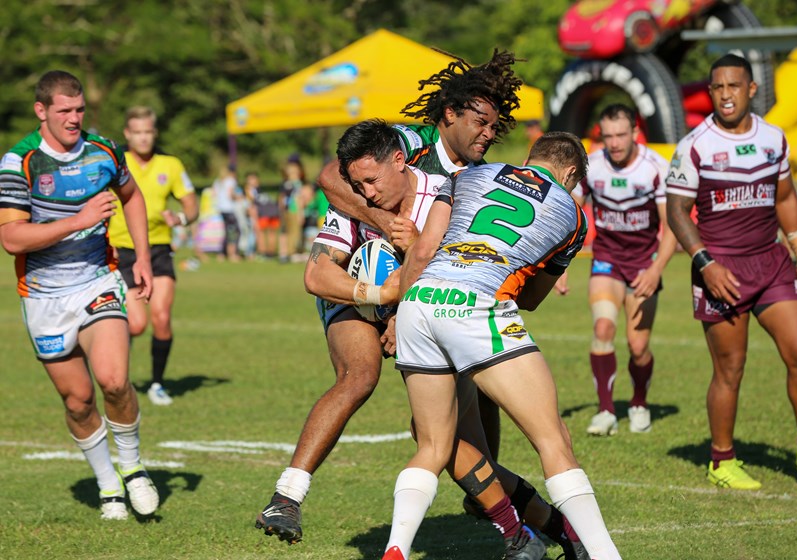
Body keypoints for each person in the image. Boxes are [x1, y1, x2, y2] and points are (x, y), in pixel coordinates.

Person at [255, 121, 580, 560]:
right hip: (359, 298)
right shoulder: (355, 203)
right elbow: (316, 274)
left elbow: (460, 266)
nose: (366, 194)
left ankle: (552, 532)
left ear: (399, 160)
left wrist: (405, 298)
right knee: (359, 375)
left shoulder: (448, 195)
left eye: (372, 181)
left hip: (430, 310)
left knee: (450, 441)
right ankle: (287, 495)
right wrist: (381, 295)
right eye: (357, 185)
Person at [381, 131, 621, 560]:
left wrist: (400, 311)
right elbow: (530, 299)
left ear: (532, 157)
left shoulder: (468, 175)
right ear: (570, 172)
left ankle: (396, 548)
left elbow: (423, 250)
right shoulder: (574, 214)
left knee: (433, 445)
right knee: (554, 441)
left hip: (419, 301)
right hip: (476, 305)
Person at [319, 49, 522, 472]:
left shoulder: (478, 174)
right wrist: (389, 222)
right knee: (361, 379)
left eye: (493, 125)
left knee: (480, 377)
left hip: (422, 290)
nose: (489, 132)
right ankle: (290, 489)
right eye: (480, 122)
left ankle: (488, 486)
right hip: (368, 280)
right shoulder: (413, 142)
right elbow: (330, 176)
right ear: (450, 114)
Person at [666, 53, 797, 490]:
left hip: (771, 262)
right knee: (731, 368)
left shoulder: (773, 138)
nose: (725, 95)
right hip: (720, 269)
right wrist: (705, 264)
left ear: (751, 89)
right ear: (711, 91)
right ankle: (722, 460)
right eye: (718, 87)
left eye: (734, 86)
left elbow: (785, 198)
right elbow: (677, 212)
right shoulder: (695, 145)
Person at [0, 70, 159, 519]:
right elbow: (12, 238)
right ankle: (108, 485)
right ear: (41, 111)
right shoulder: (20, 162)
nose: (74, 118)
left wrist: (142, 257)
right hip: (44, 296)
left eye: (80, 109)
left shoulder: (103, 150)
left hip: (97, 281)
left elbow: (132, 196)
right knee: (78, 400)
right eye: (64, 110)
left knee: (113, 380)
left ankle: (133, 467)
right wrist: (79, 219)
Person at [568, 104, 677, 436]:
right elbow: (569, 212)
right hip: (607, 260)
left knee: (638, 346)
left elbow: (672, 226)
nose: (614, 143)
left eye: (620, 135)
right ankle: (605, 411)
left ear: (635, 133)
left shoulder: (656, 168)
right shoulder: (592, 166)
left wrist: (656, 269)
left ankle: (639, 402)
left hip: (644, 264)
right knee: (603, 328)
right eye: (608, 136)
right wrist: (558, 263)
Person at [109, 106, 198, 406]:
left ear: (155, 133)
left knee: (161, 317)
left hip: (158, 250)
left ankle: (157, 384)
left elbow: (191, 205)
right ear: (127, 134)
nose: (143, 138)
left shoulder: (170, 165)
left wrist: (180, 218)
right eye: (137, 132)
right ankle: (116, 375)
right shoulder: (114, 161)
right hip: (122, 251)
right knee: (136, 324)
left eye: (148, 131)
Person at [279, 155, 309, 262]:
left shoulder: (287, 184)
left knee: (289, 232)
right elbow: (298, 200)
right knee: (293, 232)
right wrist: (301, 214)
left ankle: (288, 252)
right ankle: (291, 252)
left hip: (289, 210)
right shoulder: (295, 184)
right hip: (293, 211)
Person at [245, 171, 281, 259]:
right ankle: (270, 253)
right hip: (274, 212)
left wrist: (254, 219)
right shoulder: (262, 190)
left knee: (260, 233)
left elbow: (252, 205)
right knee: (271, 233)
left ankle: (263, 252)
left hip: (265, 213)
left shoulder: (251, 190)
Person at [212, 163, 241, 261]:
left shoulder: (217, 181)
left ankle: (222, 254)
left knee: (225, 231)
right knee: (234, 231)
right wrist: (239, 198)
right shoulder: (231, 181)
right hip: (229, 209)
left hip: (220, 209)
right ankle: (232, 254)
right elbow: (231, 195)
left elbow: (213, 194)